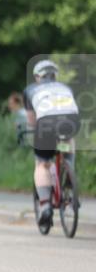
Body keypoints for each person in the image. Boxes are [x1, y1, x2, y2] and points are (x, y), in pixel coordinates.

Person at [24, 60, 81, 230]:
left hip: (46, 123)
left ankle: (45, 206)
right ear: (55, 75)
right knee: (68, 140)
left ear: (37, 76)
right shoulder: (65, 88)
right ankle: (69, 174)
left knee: (42, 163)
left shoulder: (30, 90)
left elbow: (32, 121)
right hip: (71, 122)